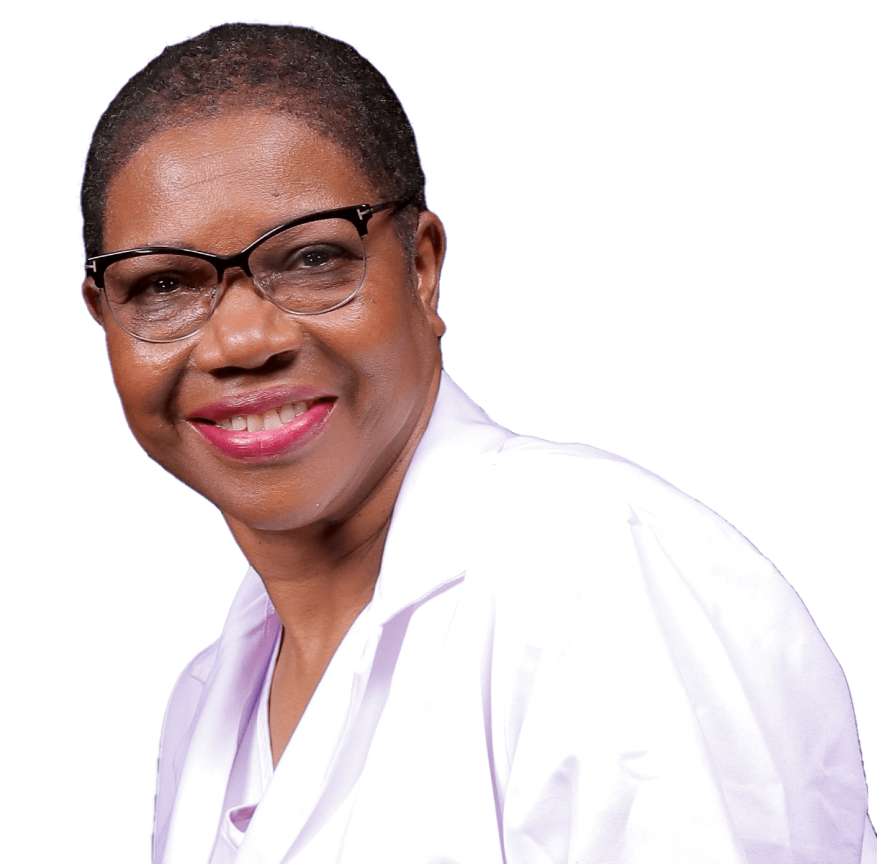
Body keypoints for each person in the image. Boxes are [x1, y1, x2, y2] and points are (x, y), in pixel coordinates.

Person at [79, 22, 874, 864]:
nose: (241, 340)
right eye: (163, 284)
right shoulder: (209, 702)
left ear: (421, 268)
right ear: (106, 321)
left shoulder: (588, 571)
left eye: (311, 259)